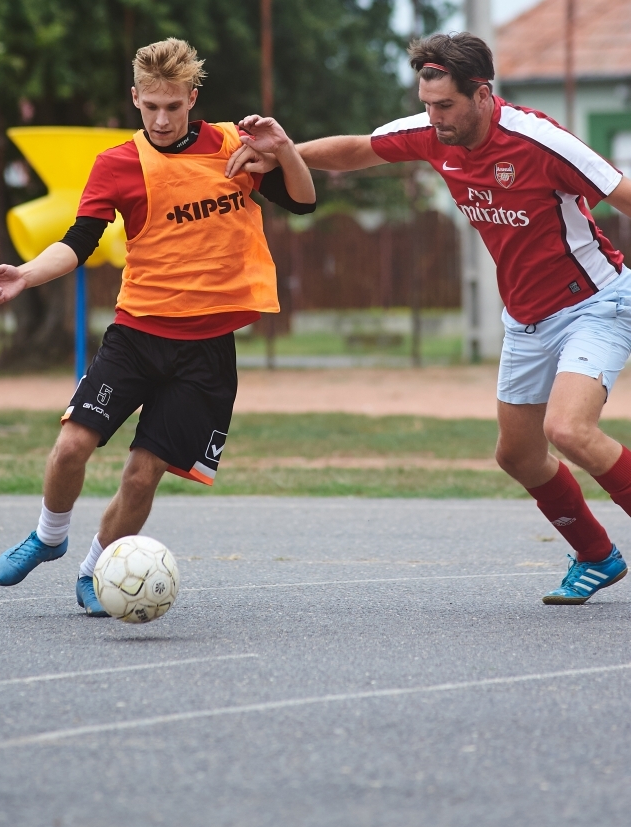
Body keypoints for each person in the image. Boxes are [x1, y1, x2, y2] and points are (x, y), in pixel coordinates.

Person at [228, 31, 631, 605]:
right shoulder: (431, 134)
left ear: (482, 94)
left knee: (568, 431)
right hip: (527, 318)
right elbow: (357, 150)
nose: (434, 117)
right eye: (426, 103)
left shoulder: (540, 141)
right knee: (517, 455)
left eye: (445, 105)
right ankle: (596, 555)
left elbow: (622, 192)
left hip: (595, 302)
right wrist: (284, 152)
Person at [0, 38, 315, 615]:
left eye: (173, 107)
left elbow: (304, 203)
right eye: (151, 106)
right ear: (135, 98)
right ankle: (49, 536)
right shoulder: (117, 163)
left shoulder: (234, 146)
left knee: (142, 476)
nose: (162, 119)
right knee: (71, 446)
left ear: (192, 98)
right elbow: (78, 242)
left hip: (206, 350)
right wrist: (26, 274)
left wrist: (283, 148)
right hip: (137, 336)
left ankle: (95, 572)